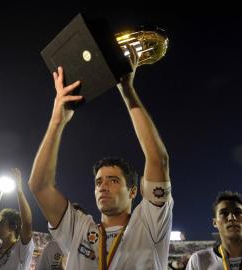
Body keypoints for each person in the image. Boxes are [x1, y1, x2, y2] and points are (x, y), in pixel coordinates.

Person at [28, 46, 173, 269]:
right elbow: (39, 186)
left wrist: (127, 91)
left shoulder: (150, 224)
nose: (103, 186)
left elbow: (158, 159)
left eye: (113, 180)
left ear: (133, 191)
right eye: (98, 182)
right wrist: (58, 121)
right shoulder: (78, 228)